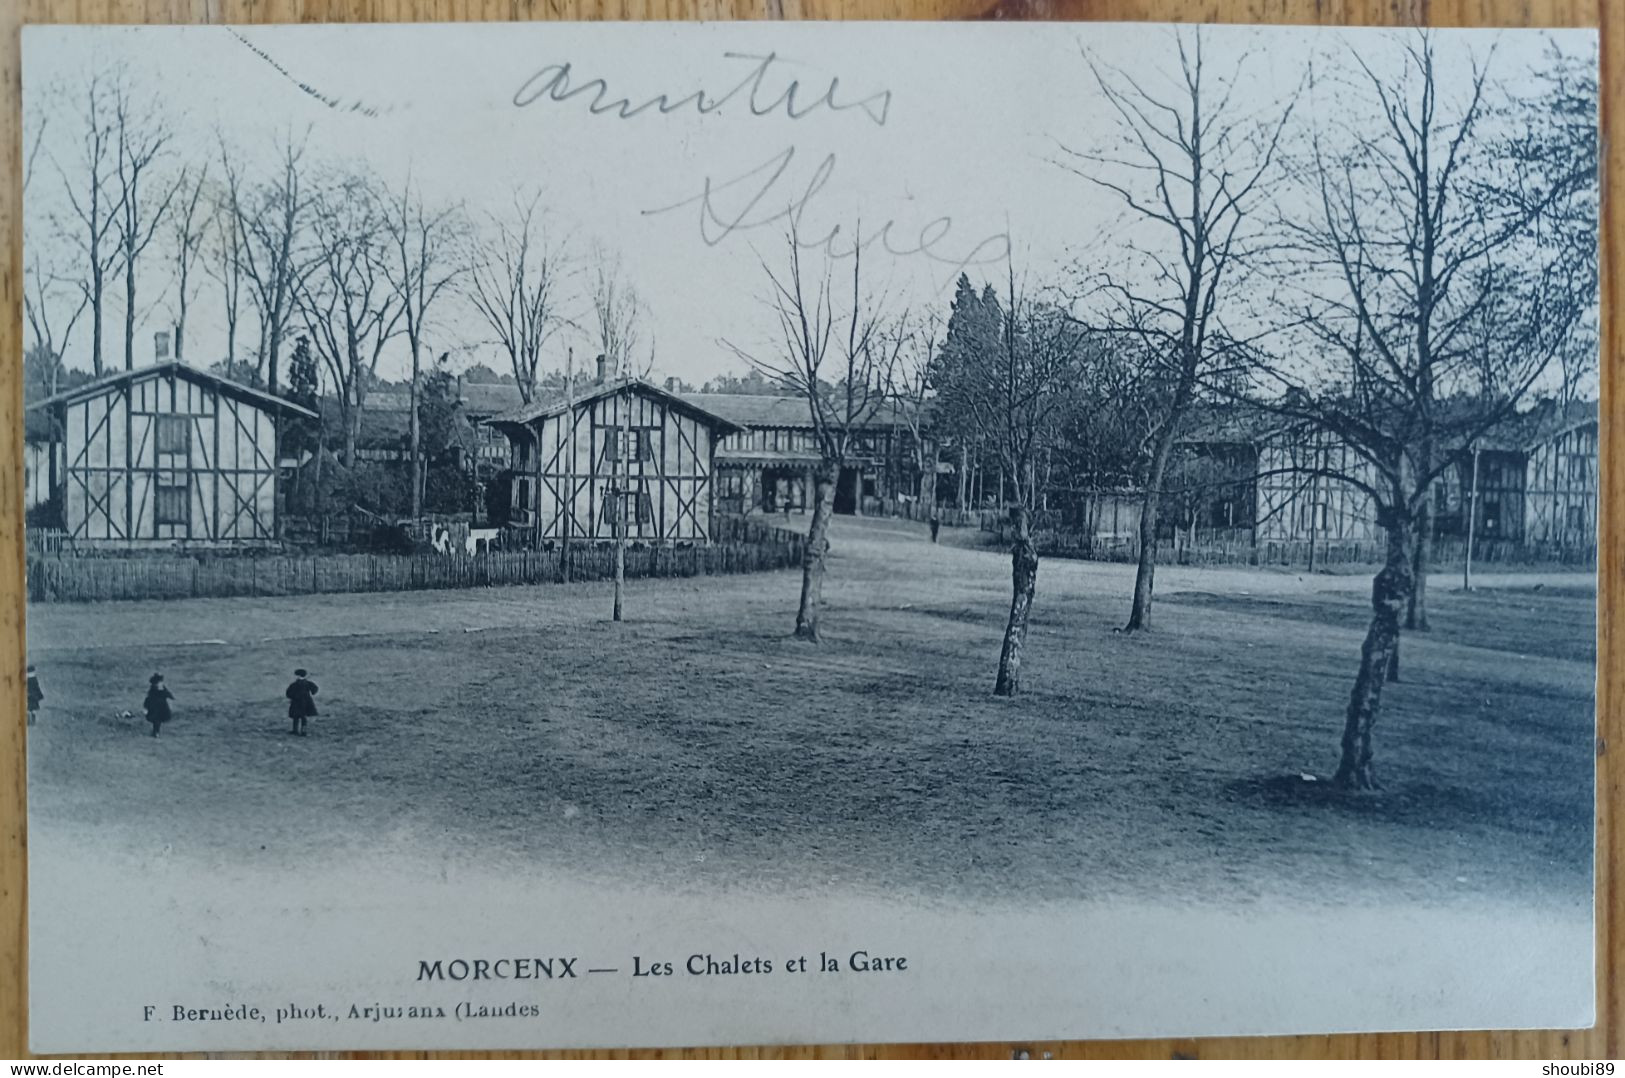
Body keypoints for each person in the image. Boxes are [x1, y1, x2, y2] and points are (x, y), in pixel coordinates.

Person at [286, 668, 319, 737]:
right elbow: (315, 689)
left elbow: (288, 693)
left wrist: (292, 697)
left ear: (298, 676)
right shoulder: (307, 683)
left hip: (296, 702)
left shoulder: (294, 684)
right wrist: (312, 693)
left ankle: (295, 730)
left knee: (296, 717)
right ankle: (304, 731)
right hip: (306, 702)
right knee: (303, 717)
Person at [143, 674, 173, 738]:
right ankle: (155, 732)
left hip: (162, 707)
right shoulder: (152, 690)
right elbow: (148, 699)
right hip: (154, 708)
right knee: (156, 720)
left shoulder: (163, 689)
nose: (160, 683)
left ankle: (156, 732)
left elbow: (169, 695)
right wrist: (146, 707)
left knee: (157, 720)